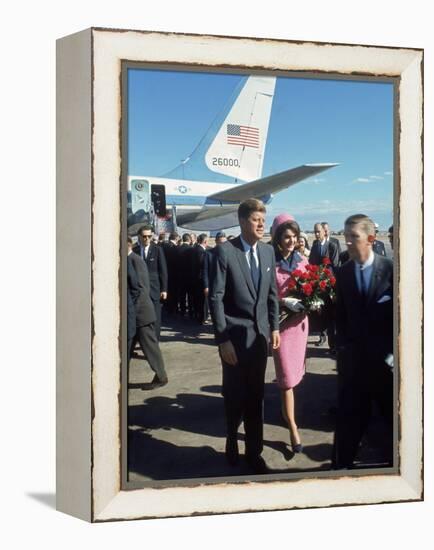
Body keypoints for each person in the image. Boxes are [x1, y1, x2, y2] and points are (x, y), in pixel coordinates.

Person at [209, 198, 280, 474]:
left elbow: (272, 294)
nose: (262, 224)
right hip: (234, 341)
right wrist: (222, 339)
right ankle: (231, 437)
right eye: (255, 219)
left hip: (259, 339)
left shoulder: (267, 252)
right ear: (241, 221)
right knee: (234, 396)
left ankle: (254, 452)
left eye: (263, 219)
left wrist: (274, 326)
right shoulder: (225, 252)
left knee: (256, 397)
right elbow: (215, 298)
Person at [332, 214, 393, 469]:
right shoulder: (343, 273)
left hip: (385, 367)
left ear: (370, 238)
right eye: (345, 236)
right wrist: (343, 353)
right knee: (348, 425)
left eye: (353, 237)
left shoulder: (391, 271)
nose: (347, 242)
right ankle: (339, 471)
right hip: (354, 367)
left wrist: (393, 356)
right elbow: (341, 318)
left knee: (392, 425)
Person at [271, 214, 310, 453]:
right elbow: (264, 295)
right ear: (277, 238)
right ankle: (293, 427)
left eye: (294, 237)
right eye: (286, 237)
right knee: (286, 378)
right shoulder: (269, 262)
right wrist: (283, 302)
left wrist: (312, 301)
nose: (291, 241)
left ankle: (288, 413)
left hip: (300, 325)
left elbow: (313, 287)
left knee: (294, 375)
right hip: (282, 327)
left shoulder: (302, 260)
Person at [128, 238, 168, 389]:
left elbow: (138, 289)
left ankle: (161, 376)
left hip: (140, 313)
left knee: (150, 348)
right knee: (128, 348)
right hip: (137, 313)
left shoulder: (134, 261)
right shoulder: (134, 258)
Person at [133, 225, 168, 339]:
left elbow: (163, 271)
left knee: (156, 316)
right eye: (144, 236)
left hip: (154, 289)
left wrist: (164, 289)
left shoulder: (157, 250)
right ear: (139, 237)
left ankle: (155, 340)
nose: (147, 239)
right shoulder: (135, 251)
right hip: (139, 289)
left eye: (149, 236)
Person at [310, 222, 339, 350]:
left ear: (323, 231)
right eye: (315, 232)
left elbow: (336, 265)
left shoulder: (332, 246)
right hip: (318, 285)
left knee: (331, 315)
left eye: (318, 231)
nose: (316, 234)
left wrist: (329, 279)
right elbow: (311, 263)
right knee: (321, 313)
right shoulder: (315, 246)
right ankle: (322, 336)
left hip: (329, 286)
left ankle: (333, 345)